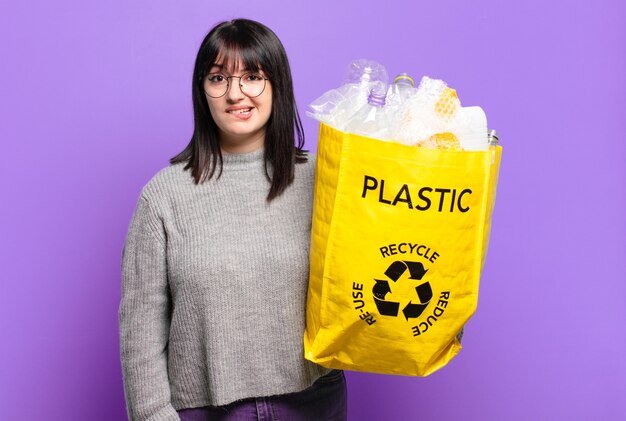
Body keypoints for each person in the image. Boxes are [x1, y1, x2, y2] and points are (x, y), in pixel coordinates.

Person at [119, 18, 347, 421]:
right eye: (218, 77)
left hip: (313, 402)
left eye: (253, 76)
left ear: (278, 83)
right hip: (204, 411)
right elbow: (140, 331)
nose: (235, 93)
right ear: (202, 90)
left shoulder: (325, 179)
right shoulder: (163, 196)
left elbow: (366, 268)